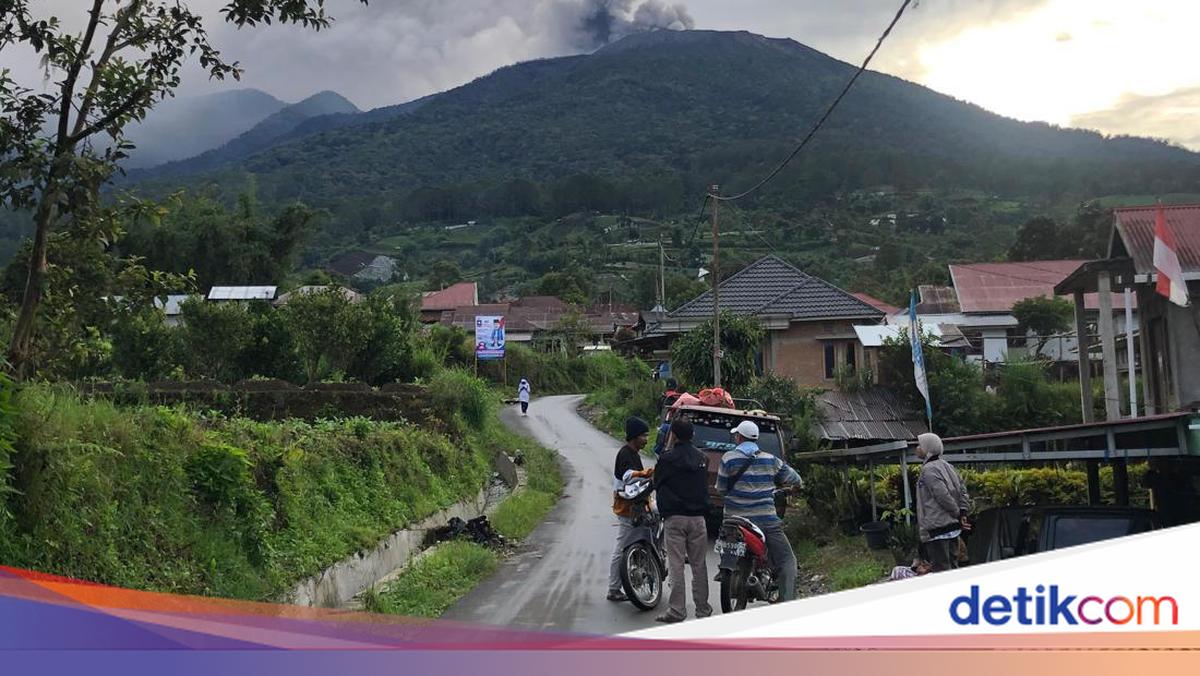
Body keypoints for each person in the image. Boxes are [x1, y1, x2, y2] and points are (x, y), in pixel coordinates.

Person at [715, 420, 804, 602]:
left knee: (727, 536)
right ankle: (788, 602)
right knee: (787, 560)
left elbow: (721, 489)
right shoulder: (771, 460)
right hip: (765, 521)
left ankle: (725, 569)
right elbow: (796, 479)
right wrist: (794, 488)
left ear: (739, 437)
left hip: (734, 519)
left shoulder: (728, 458)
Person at [651, 417, 712, 623]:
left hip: (675, 518)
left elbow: (656, 482)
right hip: (698, 520)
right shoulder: (702, 458)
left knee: (676, 565)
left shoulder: (667, 459)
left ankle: (677, 611)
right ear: (693, 435)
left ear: (673, 435)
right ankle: (702, 609)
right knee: (699, 565)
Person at [914, 432, 971, 573]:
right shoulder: (947, 466)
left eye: (920, 445)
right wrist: (962, 511)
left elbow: (942, 496)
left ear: (928, 448)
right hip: (952, 527)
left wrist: (957, 513)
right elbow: (962, 489)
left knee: (941, 568)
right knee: (953, 565)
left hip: (938, 527)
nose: (917, 448)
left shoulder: (929, 470)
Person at [608, 416, 650, 602]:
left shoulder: (633, 454)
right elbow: (627, 477)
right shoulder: (625, 454)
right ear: (634, 437)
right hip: (627, 508)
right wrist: (645, 473)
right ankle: (614, 587)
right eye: (644, 435)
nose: (646, 439)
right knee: (621, 547)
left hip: (636, 505)